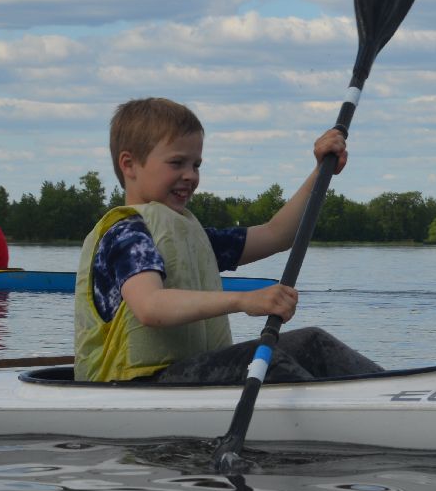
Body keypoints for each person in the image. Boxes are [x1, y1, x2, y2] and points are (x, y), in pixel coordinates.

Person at [75, 96, 379, 384]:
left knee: (312, 342)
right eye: (177, 163)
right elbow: (151, 306)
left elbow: (277, 234)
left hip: (186, 376)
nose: (190, 176)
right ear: (129, 165)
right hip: (134, 387)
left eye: (196, 165)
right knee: (265, 361)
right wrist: (244, 300)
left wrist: (320, 172)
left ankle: (386, 395)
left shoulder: (191, 235)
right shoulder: (126, 233)